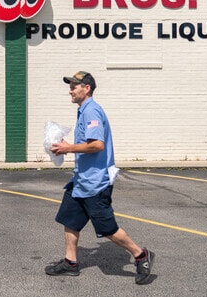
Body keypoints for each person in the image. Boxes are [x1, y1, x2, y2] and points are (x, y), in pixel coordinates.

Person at [46, 71, 155, 285]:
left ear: (87, 88)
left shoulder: (92, 111)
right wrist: (67, 145)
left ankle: (141, 255)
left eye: (75, 86)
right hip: (81, 181)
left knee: (108, 229)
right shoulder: (83, 111)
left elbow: (97, 145)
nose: (70, 89)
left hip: (95, 183)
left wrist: (68, 148)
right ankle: (70, 262)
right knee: (70, 220)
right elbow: (87, 143)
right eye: (70, 86)